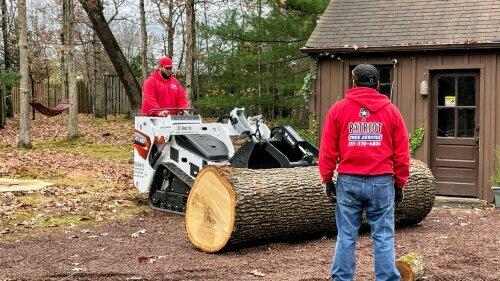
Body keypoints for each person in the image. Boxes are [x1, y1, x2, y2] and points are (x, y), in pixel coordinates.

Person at [318, 64, 410, 281]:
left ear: (353, 82)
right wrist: (400, 183)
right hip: (382, 183)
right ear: (377, 84)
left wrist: (327, 179)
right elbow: (402, 153)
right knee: (384, 237)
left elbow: (327, 149)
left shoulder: (338, 109)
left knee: (346, 236)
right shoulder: (391, 111)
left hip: (348, 181)